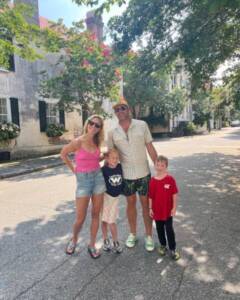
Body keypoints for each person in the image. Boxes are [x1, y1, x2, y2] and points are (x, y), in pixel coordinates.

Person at [108, 96, 158, 251]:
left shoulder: (142, 125)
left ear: (128, 109)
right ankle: (133, 234)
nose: (120, 111)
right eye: (117, 109)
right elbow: (110, 154)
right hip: (127, 175)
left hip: (144, 173)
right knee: (130, 205)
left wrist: (159, 169)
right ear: (115, 113)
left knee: (145, 205)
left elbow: (150, 147)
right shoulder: (112, 132)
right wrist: (106, 175)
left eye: (123, 108)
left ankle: (149, 236)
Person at [60, 115, 106, 259]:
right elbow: (63, 154)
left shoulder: (96, 141)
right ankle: (74, 240)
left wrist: (104, 156)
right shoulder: (78, 142)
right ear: (87, 124)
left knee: (95, 214)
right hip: (84, 181)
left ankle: (92, 245)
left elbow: (94, 159)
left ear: (100, 129)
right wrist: (74, 171)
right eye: (91, 123)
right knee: (80, 217)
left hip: (98, 178)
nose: (93, 126)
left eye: (97, 125)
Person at [148, 155, 180, 260]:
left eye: (162, 165)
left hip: (167, 211)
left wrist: (174, 207)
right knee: (159, 229)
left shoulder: (170, 179)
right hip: (157, 211)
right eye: (158, 165)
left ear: (166, 167)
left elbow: (174, 194)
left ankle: (172, 248)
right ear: (155, 166)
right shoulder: (152, 181)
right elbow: (151, 196)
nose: (160, 167)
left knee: (169, 229)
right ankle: (163, 245)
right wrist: (150, 208)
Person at [101, 148, 124, 254]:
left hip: (115, 199)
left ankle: (115, 242)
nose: (115, 160)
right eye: (113, 158)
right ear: (107, 158)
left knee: (112, 221)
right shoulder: (104, 170)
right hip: (105, 198)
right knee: (104, 220)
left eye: (117, 158)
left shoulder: (120, 167)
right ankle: (106, 240)